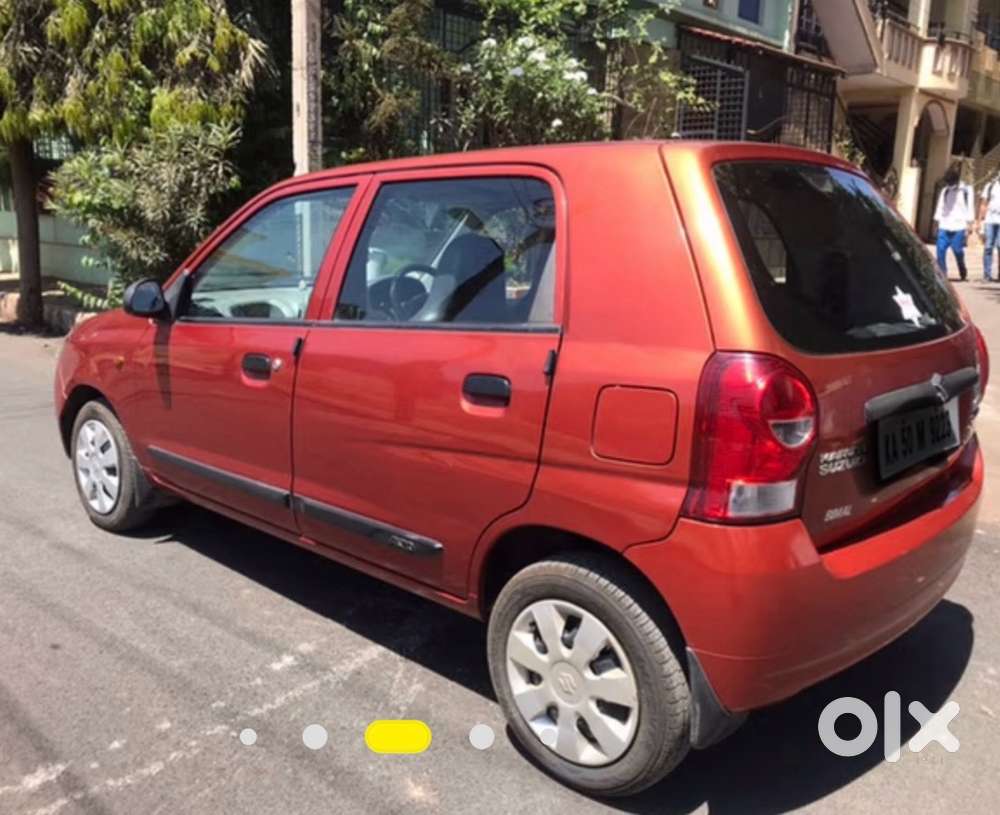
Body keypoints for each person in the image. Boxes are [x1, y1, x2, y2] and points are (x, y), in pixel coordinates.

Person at [933, 166, 974, 281]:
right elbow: (940, 207)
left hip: (959, 226)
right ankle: (943, 274)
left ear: (956, 181)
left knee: (958, 251)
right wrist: (936, 223)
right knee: (940, 250)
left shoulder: (966, 190)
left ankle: (962, 268)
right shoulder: (945, 191)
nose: (949, 184)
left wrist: (969, 225)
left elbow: (970, 207)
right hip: (945, 225)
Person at [979, 172, 1000, 282]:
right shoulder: (990, 186)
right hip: (990, 221)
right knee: (988, 247)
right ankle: (987, 275)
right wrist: (980, 221)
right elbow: (983, 204)